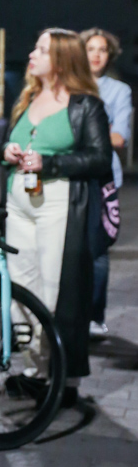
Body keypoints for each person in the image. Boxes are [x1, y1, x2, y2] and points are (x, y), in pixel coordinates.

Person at [1, 28, 111, 405]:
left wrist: (50, 162)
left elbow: (100, 159)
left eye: (42, 49)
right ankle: (36, 371)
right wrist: (9, 152)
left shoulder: (85, 105)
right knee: (23, 291)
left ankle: (62, 379)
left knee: (55, 293)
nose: (32, 53)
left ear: (62, 59)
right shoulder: (28, 96)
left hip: (57, 205)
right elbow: (7, 143)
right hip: (19, 206)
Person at [81, 28, 133, 338]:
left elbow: (119, 137)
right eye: (91, 49)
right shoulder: (69, 86)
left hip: (103, 178)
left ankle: (95, 315)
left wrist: (83, 134)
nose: (97, 55)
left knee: (98, 250)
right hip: (71, 176)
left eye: (102, 50)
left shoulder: (119, 90)